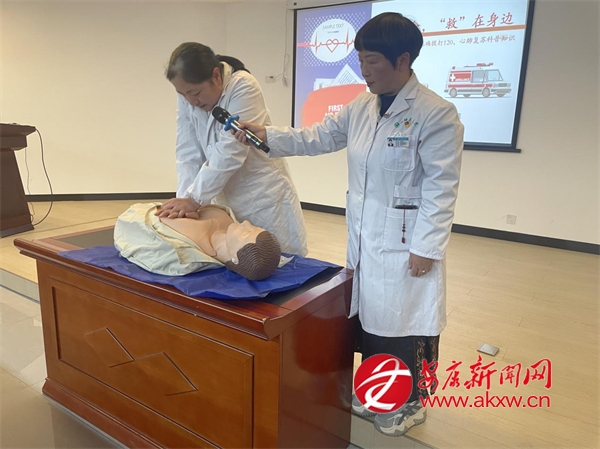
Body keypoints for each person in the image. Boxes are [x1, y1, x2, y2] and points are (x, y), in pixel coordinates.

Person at [232, 12, 464, 436]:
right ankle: (379, 391)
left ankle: (411, 402)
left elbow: (441, 188)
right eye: (360, 60)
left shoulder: (436, 114)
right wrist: (266, 135)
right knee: (370, 319)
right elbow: (317, 137)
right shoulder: (361, 106)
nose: (364, 71)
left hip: (407, 242)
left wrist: (426, 247)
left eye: (372, 61)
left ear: (403, 60)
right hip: (365, 235)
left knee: (402, 323)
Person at [157, 42, 308, 257]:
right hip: (223, 199)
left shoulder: (243, 86)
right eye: (183, 94)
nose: (191, 101)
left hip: (262, 199)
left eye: (195, 92)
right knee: (237, 259)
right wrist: (184, 204)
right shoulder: (189, 98)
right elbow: (187, 152)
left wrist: (193, 199)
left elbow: (231, 150)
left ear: (216, 76)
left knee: (276, 260)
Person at [115, 203, 280, 281]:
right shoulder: (228, 221)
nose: (246, 223)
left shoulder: (179, 254)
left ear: (235, 257)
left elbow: (130, 227)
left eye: (246, 233)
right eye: (253, 227)